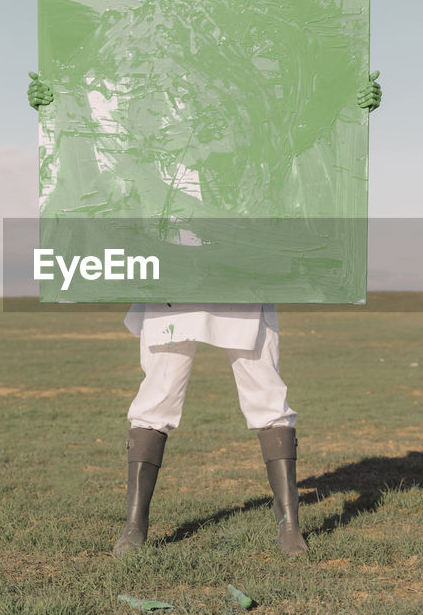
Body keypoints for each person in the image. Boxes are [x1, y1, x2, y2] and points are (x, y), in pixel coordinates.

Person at [28, 70, 382, 558]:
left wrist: (350, 112)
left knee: (267, 394)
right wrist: (56, 108)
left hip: (244, 271)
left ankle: (288, 525)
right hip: (172, 276)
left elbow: (302, 144)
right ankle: (134, 525)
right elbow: (95, 153)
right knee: (156, 396)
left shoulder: (253, 138)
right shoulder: (145, 140)